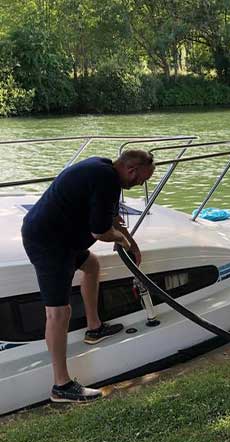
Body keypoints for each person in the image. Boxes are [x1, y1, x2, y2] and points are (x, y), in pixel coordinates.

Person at [21, 150, 155, 403]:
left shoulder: (106, 171)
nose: (141, 184)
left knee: (91, 265)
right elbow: (101, 232)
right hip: (49, 243)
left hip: (65, 239)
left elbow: (112, 216)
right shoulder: (105, 178)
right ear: (131, 170)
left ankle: (94, 328)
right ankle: (61, 386)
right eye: (142, 179)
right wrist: (123, 242)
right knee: (58, 312)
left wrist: (132, 243)